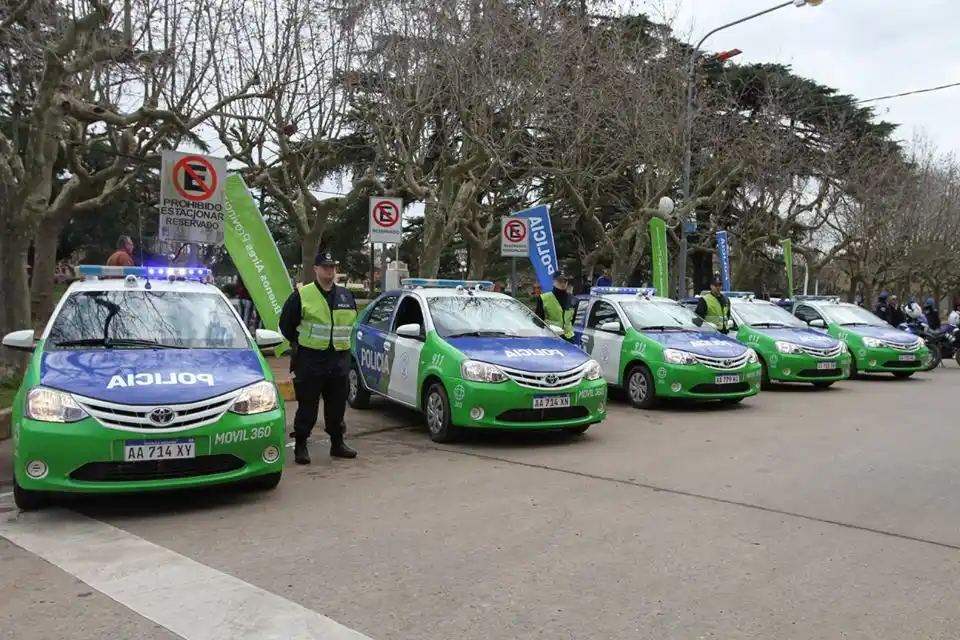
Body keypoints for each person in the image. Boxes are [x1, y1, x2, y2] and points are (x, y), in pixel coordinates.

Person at [278, 250, 358, 464]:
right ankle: (301, 445)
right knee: (307, 407)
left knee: (337, 407)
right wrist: (301, 340)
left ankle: (337, 443)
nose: (329, 271)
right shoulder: (302, 295)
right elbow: (285, 325)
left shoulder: (345, 296)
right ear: (315, 270)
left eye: (332, 267)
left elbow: (350, 325)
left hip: (338, 361)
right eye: (325, 267)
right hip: (311, 361)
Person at [535, 272, 574, 342]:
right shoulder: (544, 298)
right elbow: (538, 320)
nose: (563, 283)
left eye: (565, 281)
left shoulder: (572, 299)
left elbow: (572, 319)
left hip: (569, 338)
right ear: (554, 281)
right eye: (560, 281)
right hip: (551, 337)